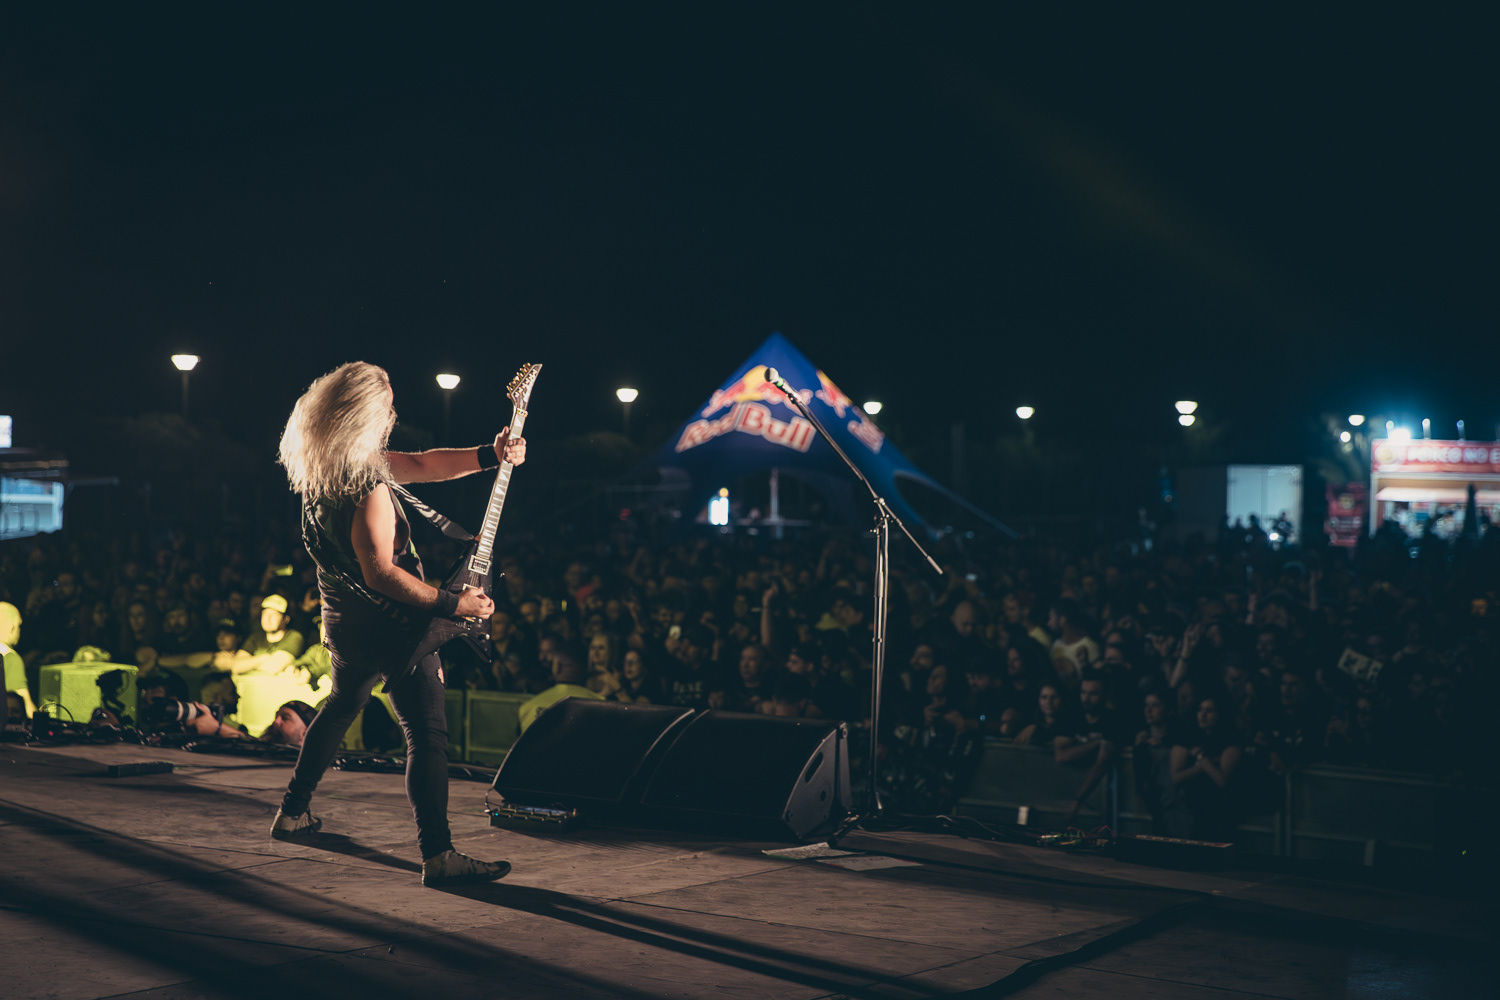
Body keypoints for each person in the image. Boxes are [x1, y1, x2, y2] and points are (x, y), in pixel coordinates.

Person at [270, 361, 526, 888]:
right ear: (364, 413)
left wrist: (490, 454)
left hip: (344, 624)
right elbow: (382, 574)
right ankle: (439, 854)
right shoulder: (365, 486)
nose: (394, 412)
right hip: (394, 629)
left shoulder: (323, 470)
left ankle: (291, 813)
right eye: (387, 404)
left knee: (342, 704)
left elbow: (423, 464)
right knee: (426, 733)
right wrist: (455, 605)